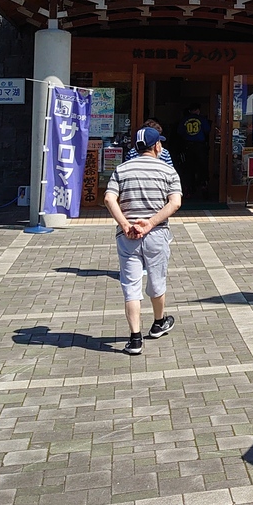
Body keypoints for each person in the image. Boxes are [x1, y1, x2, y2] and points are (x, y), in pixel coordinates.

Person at [104, 127, 183, 356]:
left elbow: (109, 198)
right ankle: (158, 323)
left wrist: (125, 224)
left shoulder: (121, 169)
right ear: (157, 146)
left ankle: (135, 338)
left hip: (128, 236)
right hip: (156, 234)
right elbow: (175, 202)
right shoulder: (168, 170)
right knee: (157, 282)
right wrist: (150, 223)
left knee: (131, 287)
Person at [177, 103, 211, 195]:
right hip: (200, 145)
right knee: (202, 166)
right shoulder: (202, 119)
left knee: (188, 167)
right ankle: (203, 186)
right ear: (197, 110)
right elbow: (207, 130)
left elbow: (180, 132)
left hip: (188, 145)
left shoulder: (184, 119)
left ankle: (189, 188)